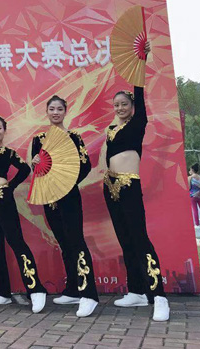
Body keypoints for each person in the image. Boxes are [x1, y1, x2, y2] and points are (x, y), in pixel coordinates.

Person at [103, 40, 169, 322]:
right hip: (110, 187)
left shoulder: (138, 123)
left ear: (132, 107)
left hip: (129, 185)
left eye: (124, 104)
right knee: (125, 239)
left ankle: (159, 296)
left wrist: (141, 61)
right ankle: (137, 291)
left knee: (140, 239)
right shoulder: (111, 129)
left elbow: (140, 94)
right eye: (116, 105)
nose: (120, 108)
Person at [0, 85, 47, 313]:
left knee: (16, 242)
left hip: (3, 201)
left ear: (4, 131)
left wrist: (10, 187)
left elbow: (25, 169)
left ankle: (36, 289)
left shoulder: (9, 153)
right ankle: (3, 293)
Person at [30, 96, 98, 317]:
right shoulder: (39, 139)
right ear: (46, 112)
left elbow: (85, 165)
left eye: (59, 109)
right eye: (52, 109)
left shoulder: (74, 137)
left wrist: (67, 183)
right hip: (50, 199)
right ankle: (73, 289)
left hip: (69, 197)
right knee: (64, 243)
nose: (55, 112)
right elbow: (38, 168)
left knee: (76, 241)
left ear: (65, 111)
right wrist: (34, 164)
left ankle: (89, 294)